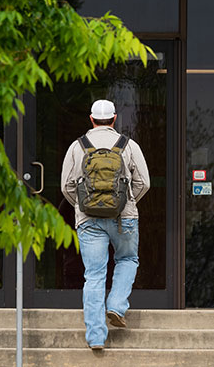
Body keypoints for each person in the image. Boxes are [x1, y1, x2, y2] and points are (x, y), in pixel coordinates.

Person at [60, 99, 150, 350]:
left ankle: (96, 337)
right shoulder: (128, 145)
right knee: (127, 260)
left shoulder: (78, 147)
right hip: (124, 217)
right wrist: (127, 202)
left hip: (88, 220)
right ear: (114, 119)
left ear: (91, 119)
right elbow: (144, 182)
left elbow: (66, 186)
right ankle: (116, 306)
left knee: (94, 275)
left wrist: (82, 206)